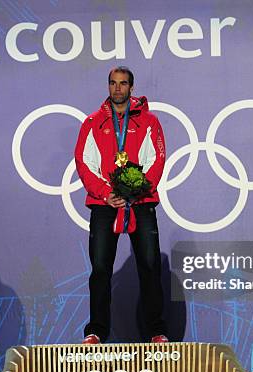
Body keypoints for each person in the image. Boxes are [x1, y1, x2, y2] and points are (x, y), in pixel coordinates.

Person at [74, 67, 168, 344]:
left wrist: (137, 190)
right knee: (100, 268)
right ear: (108, 86)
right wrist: (106, 193)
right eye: (113, 83)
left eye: (123, 84)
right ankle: (96, 331)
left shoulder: (150, 121)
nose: (117, 89)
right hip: (105, 205)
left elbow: (157, 160)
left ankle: (156, 330)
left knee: (150, 266)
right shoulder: (92, 122)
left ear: (131, 87)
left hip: (141, 201)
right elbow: (84, 162)